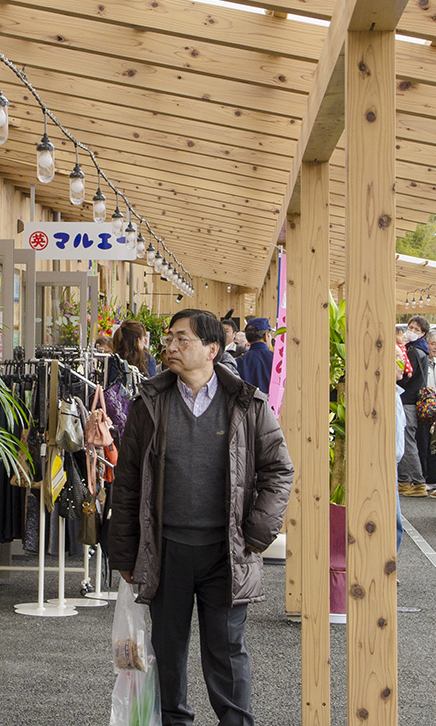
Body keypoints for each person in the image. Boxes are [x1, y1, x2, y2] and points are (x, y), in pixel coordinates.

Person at [108, 309, 294, 726]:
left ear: (212, 349)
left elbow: (279, 469)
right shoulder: (150, 403)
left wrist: (258, 534)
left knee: (226, 652)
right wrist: (124, 553)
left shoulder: (246, 402)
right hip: (166, 550)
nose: (171, 347)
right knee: (168, 651)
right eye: (169, 339)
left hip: (225, 552)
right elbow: (128, 481)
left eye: (182, 339)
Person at [397, 315, 436, 497]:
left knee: (407, 442)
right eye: (410, 327)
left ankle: (418, 482)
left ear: (423, 333)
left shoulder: (413, 352)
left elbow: (405, 378)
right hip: (414, 401)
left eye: (416, 329)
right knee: (406, 440)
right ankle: (404, 481)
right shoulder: (423, 352)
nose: (411, 331)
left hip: (408, 401)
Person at [237, 317, 275, 394]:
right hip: (271, 404)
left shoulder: (239, 361)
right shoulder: (276, 360)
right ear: (265, 336)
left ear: (247, 338)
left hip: (246, 405)